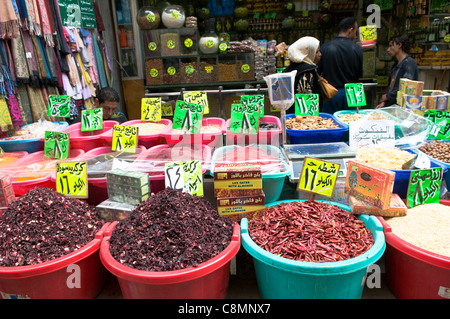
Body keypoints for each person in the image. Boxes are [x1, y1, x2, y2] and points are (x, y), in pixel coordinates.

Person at [317, 17, 363, 114]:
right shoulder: (357, 49)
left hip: (331, 92)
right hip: (353, 91)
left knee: (330, 124)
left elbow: (318, 72)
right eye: (355, 30)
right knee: (353, 122)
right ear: (350, 30)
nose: (355, 34)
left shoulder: (325, 48)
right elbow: (359, 74)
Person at [376, 34, 419, 108]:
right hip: (394, 107)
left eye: (391, 46)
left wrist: (387, 96)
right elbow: (392, 87)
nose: (388, 49)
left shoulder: (409, 63)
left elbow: (406, 88)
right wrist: (385, 103)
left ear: (399, 45)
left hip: (404, 107)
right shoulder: (396, 65)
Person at [283, 36, 323, 111]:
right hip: (302, 119)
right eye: (317, 51)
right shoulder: (307, 72)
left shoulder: (289, 69)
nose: (320, 54)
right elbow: (306, 104)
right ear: (308, 53)